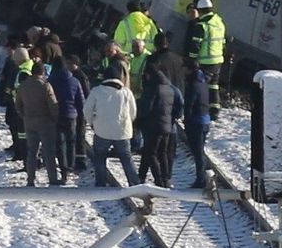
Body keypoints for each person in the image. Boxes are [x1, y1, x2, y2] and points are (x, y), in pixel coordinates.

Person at [86, 67, 139, 188]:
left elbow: (87, 110)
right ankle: (134, 184)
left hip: (102, 131)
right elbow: (133, 112)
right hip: (122, 132)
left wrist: (92, 123)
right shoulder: (126, 92)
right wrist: (128, 123)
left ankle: (101, 184)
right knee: (126, 158)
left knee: (100, 157)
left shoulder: (96, 91)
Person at [137, 58, 181, 188]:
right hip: (167, 126)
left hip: (153, 126)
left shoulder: (153, 88)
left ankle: (158, 180)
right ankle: (165, 178)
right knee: (162, 153)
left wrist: (139, 120)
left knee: (151, 153)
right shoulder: (169, 88)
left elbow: (147, 108)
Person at [18, 59, 63, 187]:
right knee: (48, 152)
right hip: (45, 122)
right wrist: (55, 118)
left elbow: (18, 105)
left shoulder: (23, 86)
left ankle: (30, 179)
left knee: (32, 152)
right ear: (42, 72)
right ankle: (52, 178)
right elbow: (53, 104)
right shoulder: (45, 86)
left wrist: (24, 116)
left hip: (29, 121)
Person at [184, 0, 227, 120]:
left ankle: (198, 109)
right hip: (218, 60)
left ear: (200, 10)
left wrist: (191, 60)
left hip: (205, 62)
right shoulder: (219, 22)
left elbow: (195, 45)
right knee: (213, 86)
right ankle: (214, 110)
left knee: (199, 86)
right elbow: (223, 42)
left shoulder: (202, 25)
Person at [48, 50, 86, 181]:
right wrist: (81, 115)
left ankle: (63, 169)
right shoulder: (74, 81)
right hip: (71, 115)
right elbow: (80, 100)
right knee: (71, 141)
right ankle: (71, 165)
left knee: (60, 143)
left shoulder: (51, 80)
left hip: (56, 115)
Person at [112, 0, 157, 87]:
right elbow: (156, 42)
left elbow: (117, 45)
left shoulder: (124, 23)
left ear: (128, 11)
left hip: (127, 60)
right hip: (146, 60)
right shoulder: (150, 24)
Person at [182, 63, 213, 191]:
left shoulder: (193, 85)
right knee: (200, 151)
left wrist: (186, 121)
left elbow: (189, 105)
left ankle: (202, 179)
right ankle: (204, 176)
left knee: (198, 152)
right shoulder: (203, 82)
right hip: (205, 120)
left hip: (196, 122)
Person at [0, 40, 29, 163]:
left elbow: (13, 86)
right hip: (18, 104)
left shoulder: (21, 70)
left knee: (20, 130)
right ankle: (19, 150)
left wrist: (7, 95)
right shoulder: (24, 67)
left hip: (18, 105)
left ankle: (21, 152)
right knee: (18, 129)